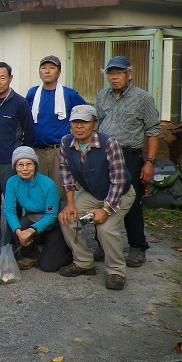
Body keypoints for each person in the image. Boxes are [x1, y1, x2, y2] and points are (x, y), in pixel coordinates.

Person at [58, 105, 135, 291]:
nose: (79, 126)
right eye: (75, 122)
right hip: (93, 193)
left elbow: (118, 180)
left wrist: (106, 210)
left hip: (119, 194)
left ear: (95, 124)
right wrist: (70, 204)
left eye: (84, 122)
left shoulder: (109, 143)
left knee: (105, 228)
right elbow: (66, 175)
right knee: (66, 218)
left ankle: (116, 271)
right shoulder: (66, 142)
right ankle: (84, 261)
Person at [95, 56, 161, 268]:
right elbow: (95, 124)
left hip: (129, 156)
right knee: (102, 199)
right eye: (111, 73)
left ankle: (137, 247)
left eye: (119, 73)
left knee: (130, 202)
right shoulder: (102, 96)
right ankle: (101, 244)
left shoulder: (143, 98)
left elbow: (153, 130)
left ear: (129, 75)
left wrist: (149, 161)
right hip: (104, 155)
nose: (114, 77)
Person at [0, 61, 36, 248]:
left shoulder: (20, 103)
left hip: (10, 162)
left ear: (10, 79)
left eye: (2, 78)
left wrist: (22, 160)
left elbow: (29, 132)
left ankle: (12, 244)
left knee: (12, 205)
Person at [25, 55, 86, 203]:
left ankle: (62, 225)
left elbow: (86, 116)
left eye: (52, 68)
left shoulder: (69, 94)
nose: (47, 71)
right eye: (44, 68)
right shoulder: (33, 93)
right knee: (36, 192)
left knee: (61, 192)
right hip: (37, 150)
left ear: (59, 73)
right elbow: (25, 118)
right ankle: (38, 225)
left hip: (59, 151)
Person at [4, 146, 72, 272]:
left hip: (54, 223)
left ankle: (66, 250)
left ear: (35, 165)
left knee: (48, 266)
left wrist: (31, 231)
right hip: (33, 218)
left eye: (29, 164)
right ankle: (32, 255)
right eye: (20, 165)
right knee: (18, 225)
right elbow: (9, 210)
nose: (25, 169)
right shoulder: (12, 182)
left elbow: (51, 215)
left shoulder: (48, 184)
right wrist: (19, 232)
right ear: (15, 167)